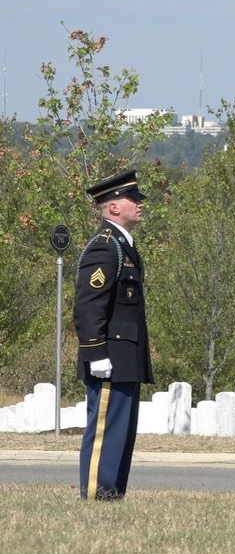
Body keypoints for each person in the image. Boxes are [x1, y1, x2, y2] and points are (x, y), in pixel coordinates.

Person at [74, 169, 153, 500]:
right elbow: (88, 305)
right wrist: (95, 352)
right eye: (133, 199)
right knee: (106, 430)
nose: (140, 204)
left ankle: (112, 493)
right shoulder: (105, 247)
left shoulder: (124, 246)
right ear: (113, 207)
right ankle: (96, 494)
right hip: (109, 356)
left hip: (125, 356)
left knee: (121, 432)